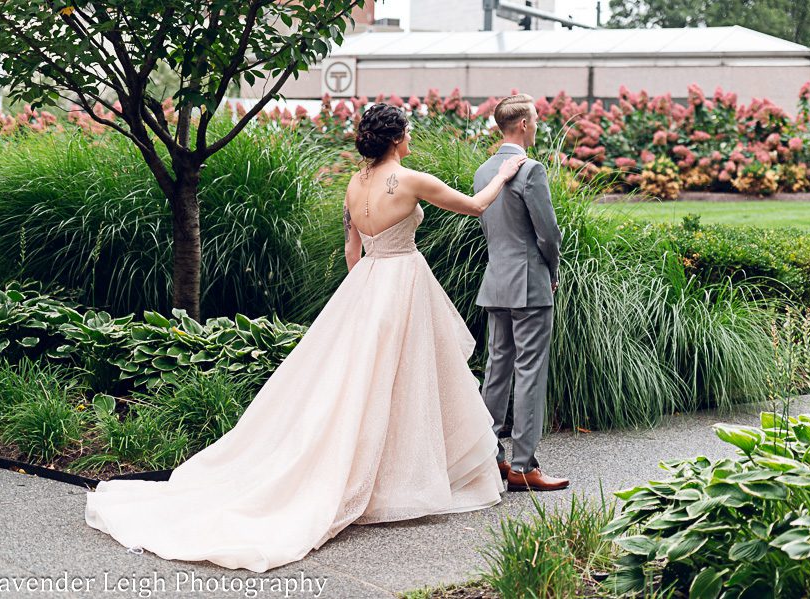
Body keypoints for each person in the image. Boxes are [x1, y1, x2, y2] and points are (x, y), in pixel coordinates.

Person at [84, 103, 527, 574]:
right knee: (401, 381)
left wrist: (365, 299)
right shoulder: (411, 179)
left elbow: (352, 251)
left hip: (367, 285)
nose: (411, 138)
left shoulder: (355, 184)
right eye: (409, 132)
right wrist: (505, 172)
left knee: (363, 384)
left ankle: (383, 476)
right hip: (402, 282)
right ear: (398, 138)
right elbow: (476, 205)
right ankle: (391, 481)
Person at [473, 93, 569, 492]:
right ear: (525, 125)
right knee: (530, 371)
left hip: (496, 280)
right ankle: (524, 466)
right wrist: (553, 270)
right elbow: (548, 234)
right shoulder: (531, 170)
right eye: (536, 120)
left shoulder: (483, 171)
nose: (538, 126)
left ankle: (490, 456)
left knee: (497, 369)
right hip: (529, 283)